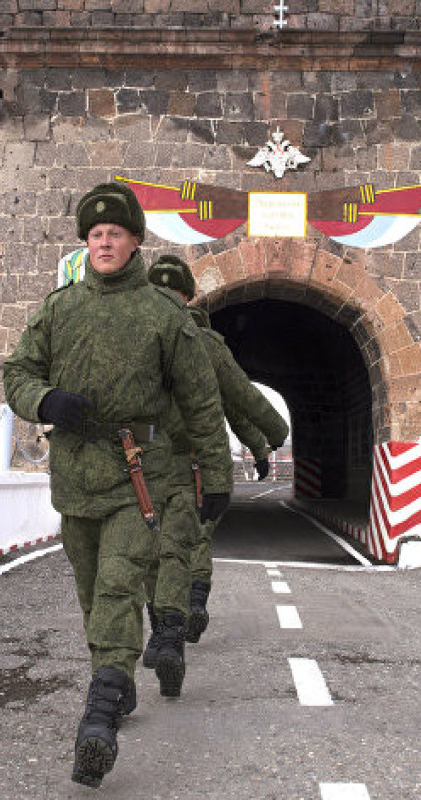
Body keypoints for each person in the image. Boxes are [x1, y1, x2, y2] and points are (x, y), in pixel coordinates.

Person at [3, 183, 233, 788]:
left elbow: (204, 403)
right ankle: (119, 679)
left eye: (116, 234)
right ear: (87, 243)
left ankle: (99, 717)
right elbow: (18, 371)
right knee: (91, 593)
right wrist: (44, 398)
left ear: (135, 242)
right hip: (75, 478)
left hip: (140, 480)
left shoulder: (165, 317)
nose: (104, 242)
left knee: (116, 588)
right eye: (95, 235)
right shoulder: (59, 309)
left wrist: (218, 477)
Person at [145, 255, 290, 643]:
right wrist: (269, 439)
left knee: (157, 542)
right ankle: (192, 602)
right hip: (196, 461)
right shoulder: (204, 343)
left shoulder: (137, 336)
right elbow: (239, 399)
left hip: (145, 463)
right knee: (196, 536)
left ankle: (164, 623)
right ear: (188, 296)